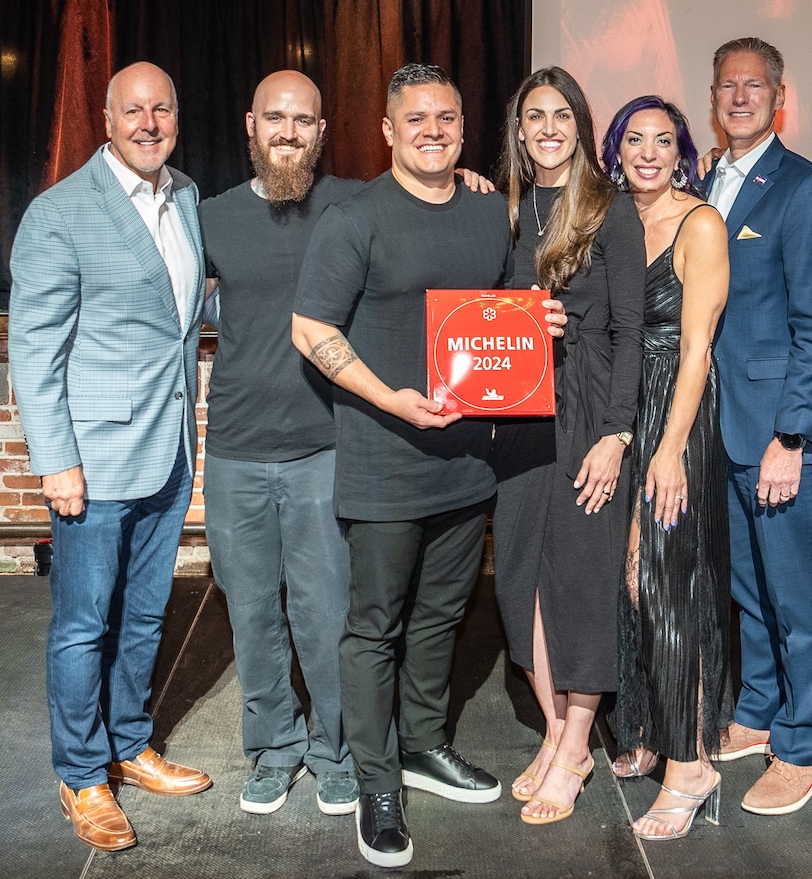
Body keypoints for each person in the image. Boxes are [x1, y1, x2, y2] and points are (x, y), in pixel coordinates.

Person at [290, 63, 511, 869]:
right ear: (387, 130)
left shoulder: (490, 211)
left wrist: (538, 324)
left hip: (468, 461)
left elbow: (503, 313)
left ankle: (422, 745)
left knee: (442, 616)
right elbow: (310, 329)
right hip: (385, 460)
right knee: (374, 627)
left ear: (463, 127)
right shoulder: (355, 219)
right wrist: (390, 398)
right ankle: (376, 783)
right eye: (415, 119)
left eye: (445, 117)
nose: (432, 130)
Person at [8, 61, 213, 852]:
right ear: (106, 119)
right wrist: (55, 459)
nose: (148, 123)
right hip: (91, 463)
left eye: (162, 109)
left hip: (169, 452)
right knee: (82, 624)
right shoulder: (60, 213)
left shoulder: (186, 195)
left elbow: (179, 308)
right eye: (133, 110)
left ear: (177, 119)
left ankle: (128, 742)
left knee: (145, 614)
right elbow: (35, 348)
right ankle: (82, 772)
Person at [199, 70, 360, 817]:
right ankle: (274, 748)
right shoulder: (211, 217)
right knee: (252, 610)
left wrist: (467, 181)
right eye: (275, 118)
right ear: (251, 125)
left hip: (323, 445)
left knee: (326, 612)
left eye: (302, 120)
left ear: (322, 131)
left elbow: (429, 207)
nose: (288, 132)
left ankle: (336, 751)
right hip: (234, 447)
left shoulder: (354, 203)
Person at [491, 66, 645, 826]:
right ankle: (557, 736)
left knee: (582, 580)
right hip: (519, 415)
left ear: (580, 126)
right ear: (519, 131)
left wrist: (617, 434)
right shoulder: (501, 209)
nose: (548, 129)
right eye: (535, 117)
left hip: (587, 409)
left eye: (561, 116)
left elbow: (630, 331)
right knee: (520, 581)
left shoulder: (610, 211)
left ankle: (577, 741)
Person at [702, 38, 812, 815]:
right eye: (728, 86)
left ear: (779, 97)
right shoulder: (705, 183)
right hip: (721, 427)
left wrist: (792, 437)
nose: (739, 97)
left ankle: (802, 745)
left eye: (754, 86)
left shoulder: (805, 188)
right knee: (749, 587)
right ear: (713, 98)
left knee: (796, 596)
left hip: (777, 435)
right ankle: (758, 710)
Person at [599, 95, 732, 840]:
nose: (648, 153)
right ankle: (649, 724)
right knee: (628, 578)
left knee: (664, 580)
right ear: (615, 150)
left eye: (662, 140)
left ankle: (691, 764)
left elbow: (696, 347)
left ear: (681, 151)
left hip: (675, 413)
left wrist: (671, 448)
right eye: (634, 140)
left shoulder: (699, 223)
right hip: (623, 408)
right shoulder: (614, 217)